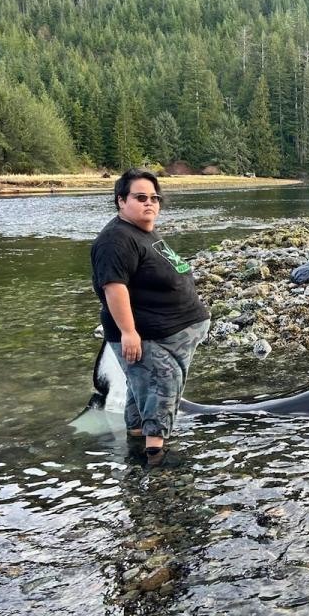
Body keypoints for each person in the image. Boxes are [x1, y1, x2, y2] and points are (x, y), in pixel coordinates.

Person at [90, 168, 210, 464]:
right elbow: (113, 287)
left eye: (155, 198)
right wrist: (129, 332)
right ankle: (157, 457)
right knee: (161, 386)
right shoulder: (115, 240)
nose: (150, 203)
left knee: (140, 389)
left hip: (168, 333)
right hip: (149, 335)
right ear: (121, 200)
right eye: (140, 197)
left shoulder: (141, 231)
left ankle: (134, 441)